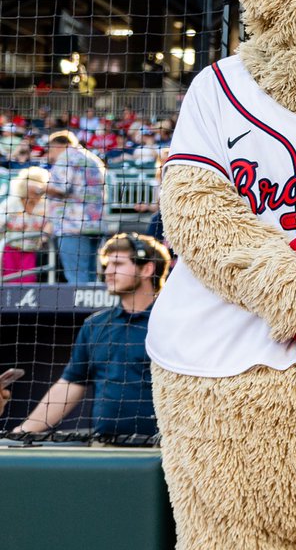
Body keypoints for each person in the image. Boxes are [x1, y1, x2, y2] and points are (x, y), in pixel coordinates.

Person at [13, 232, 170, 439]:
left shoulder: (170, 323)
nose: (108, 272)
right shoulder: (96, 325)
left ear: (147, 269)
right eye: (106, 265)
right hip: (106, 448)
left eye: (118, 264)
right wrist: (22, 431)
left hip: (164, 450)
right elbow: (71, 384)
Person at [44, 130, 106, 284]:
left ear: (58, 145)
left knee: (77, 279)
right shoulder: (92, 158)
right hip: (95, 224)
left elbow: (60, 188)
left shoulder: (66, 157)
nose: (50, 153)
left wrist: (37, 188)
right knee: (91, 277)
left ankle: (81, 309)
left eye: (50, 148)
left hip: (72, 226)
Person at [0, 166, 49, 283]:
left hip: (31, 250)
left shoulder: (44, 206)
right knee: (9, 280)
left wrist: (45, 236)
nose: (36, 194)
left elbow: (50, 224)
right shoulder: (12, 203)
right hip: (10, 249)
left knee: (28, 280)